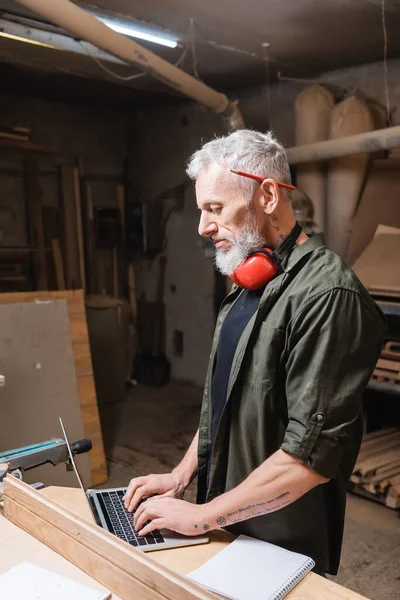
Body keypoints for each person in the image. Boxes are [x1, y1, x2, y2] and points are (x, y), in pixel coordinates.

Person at [124, 130, 386, 576]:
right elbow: (224, 406)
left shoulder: (328, 297)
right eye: (202, 210)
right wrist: (181, 476)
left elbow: (308, 461)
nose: (203, 227)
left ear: (267, 196)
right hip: (227, 518)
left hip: (278, 539)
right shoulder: (250, 284)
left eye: (215, 208)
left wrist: (201, 516)